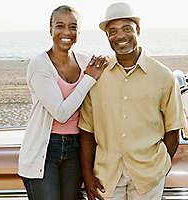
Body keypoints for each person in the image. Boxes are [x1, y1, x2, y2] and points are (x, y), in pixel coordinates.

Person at [79, 2, 186, 200]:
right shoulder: (98, 76)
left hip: (148, 178)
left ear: (137, 30)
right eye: (113, 31)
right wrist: (87, 175)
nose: (120, 36)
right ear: (107, 36)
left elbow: (173, 131)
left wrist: (159, 168)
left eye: (126, 29)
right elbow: (87, 132)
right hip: (106, 177)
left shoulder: (163, 76)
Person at [18, 5, 108, 200]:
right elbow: (61, 112)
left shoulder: (84, 61)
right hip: (45, 149)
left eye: (73, 27)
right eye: (60, 26)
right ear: (50, 30)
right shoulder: (40, 64)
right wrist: (89, 79)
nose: (66, 32)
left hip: (76, 149)